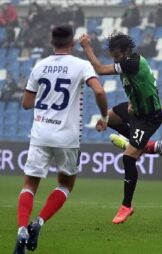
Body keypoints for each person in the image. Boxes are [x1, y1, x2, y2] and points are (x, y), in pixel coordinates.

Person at [12, 25, 108, 254]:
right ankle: (40, 221)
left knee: (29, 186)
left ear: (50, 42)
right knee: (65, 185)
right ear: (72, 44)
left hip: (40, 135)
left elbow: (26, 103)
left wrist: (47, 100)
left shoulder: (39, 66)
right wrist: (104, 115)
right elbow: (100, 92)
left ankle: (21, 230)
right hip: (67, 137)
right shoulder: (82, 65)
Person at [80, 32, 162, 224]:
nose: (115, 59)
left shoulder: (132, 64)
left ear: (127, 51)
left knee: (128, 158)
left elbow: (100, 69)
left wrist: (87, 47)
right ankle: (139, 143)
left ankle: (126, 205)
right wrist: (131, 101)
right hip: (136, 111)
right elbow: (142, 86)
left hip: (149, 118)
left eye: (117, 56)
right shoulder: (129, 61)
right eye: (113, 56)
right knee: (107, 119)